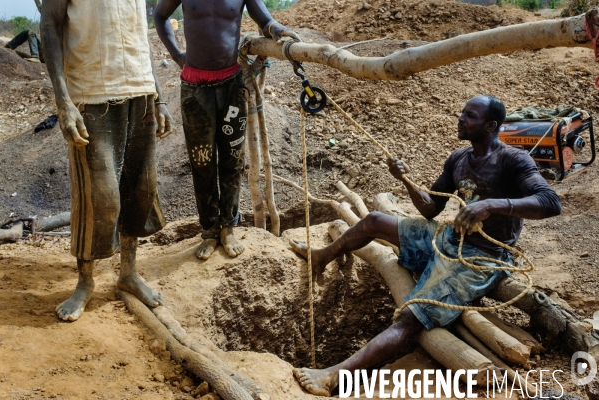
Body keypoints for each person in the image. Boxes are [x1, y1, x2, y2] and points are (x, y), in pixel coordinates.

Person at [290, 95, 562, 396]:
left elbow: (550, 202)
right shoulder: (459, 159)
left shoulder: (513, 160)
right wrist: (405, 180)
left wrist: (491, 206)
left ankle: (333, 377)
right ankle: (322, 256)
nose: (460, 118)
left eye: (469, 115)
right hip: (449, 238)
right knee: (375, 220)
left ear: (490, 125)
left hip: (484, 257)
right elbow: (431, 209)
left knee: (410, 316)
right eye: (463, 112)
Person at [41, 0, 173, 321]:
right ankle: (85, 282)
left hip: (140, 93)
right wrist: (63, 102)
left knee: (140, 189)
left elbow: (140, 37)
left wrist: (159, 96)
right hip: (91, 92)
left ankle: (128, 273)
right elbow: (49, 26)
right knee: (100, 197)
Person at [154, 0, 300, 260]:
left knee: (233, 160)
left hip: (231, 85)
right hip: (194, 89)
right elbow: (160, 15)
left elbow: (265, 20)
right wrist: (177, 56)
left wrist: (276, 27)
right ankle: (210, 230)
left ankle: (228, 227)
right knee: (202, 162)